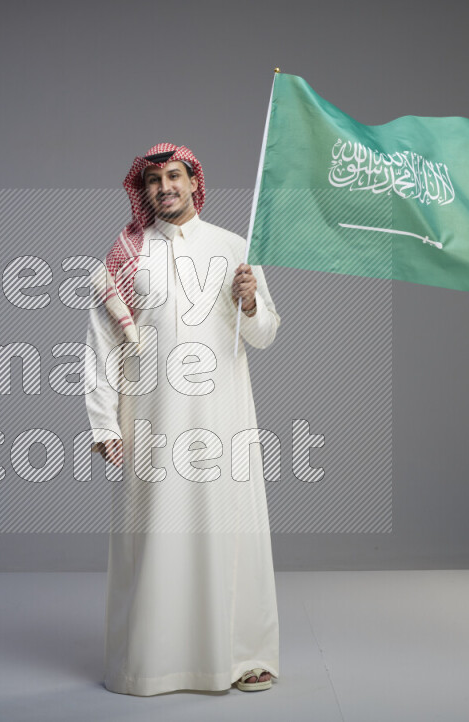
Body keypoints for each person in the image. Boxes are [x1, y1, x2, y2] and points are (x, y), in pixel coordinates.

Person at [85, 142, 281, 696]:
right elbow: (100, 343)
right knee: (152, 535)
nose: (164, 187)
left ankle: (241, 655)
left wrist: (250, 303)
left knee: (230, 530)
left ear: (195, 182)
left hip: (222, 418)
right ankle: (152, 661)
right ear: (142, 190)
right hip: (149, 418)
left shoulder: (234, 247)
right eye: (153, 180)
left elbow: (265, 335)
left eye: (174, 176)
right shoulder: (126, 254)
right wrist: (104, 422)